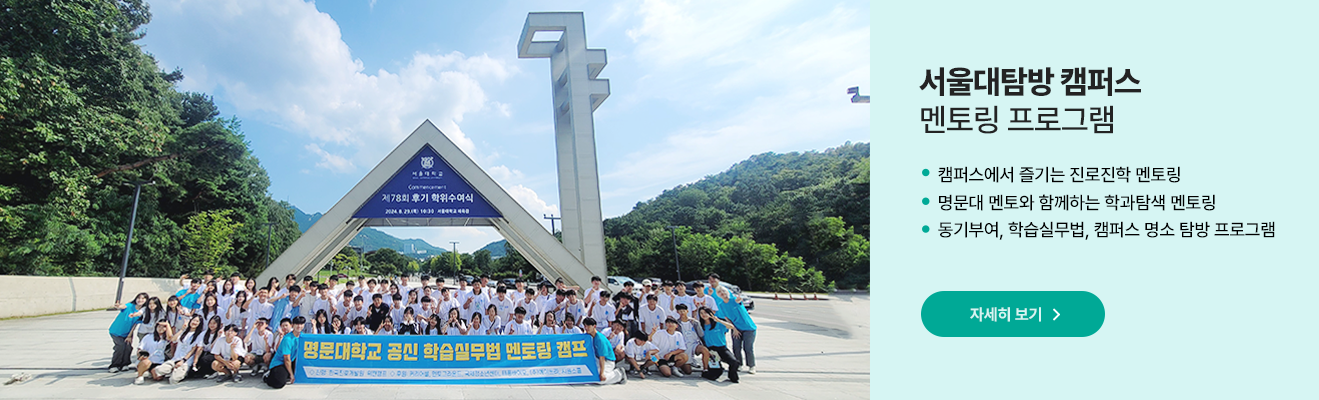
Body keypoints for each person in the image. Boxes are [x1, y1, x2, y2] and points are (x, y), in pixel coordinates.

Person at [715, 285, 757, 374]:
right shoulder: (721, 305)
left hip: (748, 328)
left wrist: (738, 300)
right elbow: (727, 318)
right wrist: (734, 329)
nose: (722, 293)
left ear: (727, 292)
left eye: (723, 291)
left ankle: (751, 366)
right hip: (736, 328)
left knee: (748, 348)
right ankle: (739, 364)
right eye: (719, 292)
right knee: (736, 347)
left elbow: (739, 302)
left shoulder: (734, 300)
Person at [108, 292, 148, 373]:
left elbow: (134, 325)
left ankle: (124, 364)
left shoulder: (142, 311)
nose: (140, 300)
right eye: (139, 298)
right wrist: (119, 306)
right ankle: (114, 365)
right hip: (116, 331)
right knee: (120, 346)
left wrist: (129, 335)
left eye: (143, 298)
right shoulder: (130, 305)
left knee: (128, 348)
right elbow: (123, 306)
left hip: (127, 333)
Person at [698, 307, 739, 383]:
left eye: (705, 313)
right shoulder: (701, 326)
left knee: (734, 362)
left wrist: (719, 320)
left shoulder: (718, 324)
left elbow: (731, 326)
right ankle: (707, 373)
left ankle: (732, 376)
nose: (703, 315)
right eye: (701, 313)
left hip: (722, 348)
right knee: (716, 373)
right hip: (711, 350)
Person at [265, 316, 304, 389]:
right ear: (293, 325)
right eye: (297, 324)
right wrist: (291, 375)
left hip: (293, 360)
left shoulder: (302, 336)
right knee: (279, 383)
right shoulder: (288, 339)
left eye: (301, 324)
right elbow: (286, 359)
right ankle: (268, 377)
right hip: (281, 362)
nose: (299, 326)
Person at [164, 315, 204, 384]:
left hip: (185, 362)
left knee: (173, 380)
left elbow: (192, 350)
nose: (194, 322)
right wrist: (182, 329)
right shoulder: (184, 332)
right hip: (175, 359)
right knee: (158, 371)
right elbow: (173, 340)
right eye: (193, 320)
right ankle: (172, 370)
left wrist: (183, 360)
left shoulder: (199, 335)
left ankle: (178, 372)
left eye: (197, 321)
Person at [583, 317, 624, 384]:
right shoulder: (588, 336)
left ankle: (618, 374)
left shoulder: (600, 339)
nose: (586, 328)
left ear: (594, 326)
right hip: (596, 359)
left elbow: (602, 358)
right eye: (585, 326)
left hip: (607, 361)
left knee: (599, 379)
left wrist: (602, 373)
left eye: (588, 326)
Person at [132, 320, 173, 385]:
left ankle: (150, 371)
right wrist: (140, 356)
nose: (161, 328)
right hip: (146, 360)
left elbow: (170, 337)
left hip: (158, 361)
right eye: (159, 326)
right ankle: (139, 376)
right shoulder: (148, 337)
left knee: (158, 378)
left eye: (163, 327)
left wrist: (167, 324)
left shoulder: (165, 339)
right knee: (146, 362)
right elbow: (140, 349)